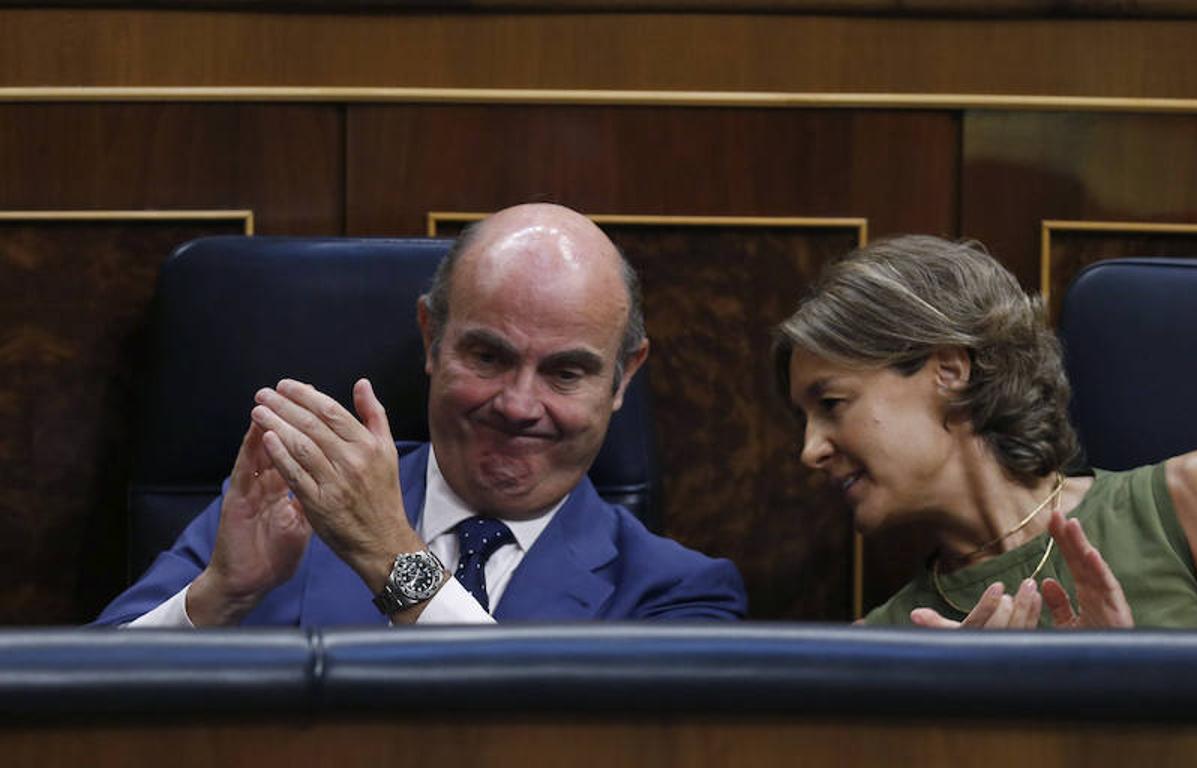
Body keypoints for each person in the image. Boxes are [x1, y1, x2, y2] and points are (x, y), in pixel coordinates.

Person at [97, 203, 747, 627]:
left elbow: (560, 758)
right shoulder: (294, 502)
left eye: (565, 371)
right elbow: (83, 704)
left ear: (621, 377)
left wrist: (390, 555)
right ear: (431, 338)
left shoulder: (679, 594)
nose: (519, 406)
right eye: (488, 357)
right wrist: (219, 596)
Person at [773, 235, 1197, 631]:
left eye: (831, 404)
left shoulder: (1191, 500)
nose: (810, 450)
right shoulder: (889, 640)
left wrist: (1132, 684)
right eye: (805, 420)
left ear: (949, 371)